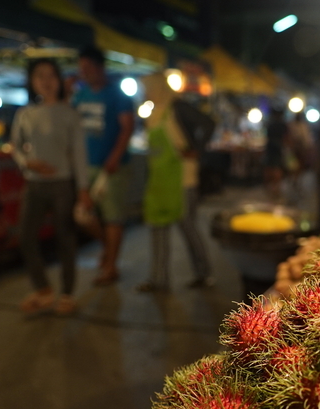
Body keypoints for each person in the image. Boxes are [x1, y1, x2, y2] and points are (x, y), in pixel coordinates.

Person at [11, 59, 93, 315]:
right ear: (32, 82)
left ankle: (67, 293)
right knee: (25, 237)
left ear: (59, 80)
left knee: (65, 240)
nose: (46, 81)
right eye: (39, 76)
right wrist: (28, 163)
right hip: (34, 184)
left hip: (63, 184)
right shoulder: (24, 114)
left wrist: (83, 190)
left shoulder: (70, 114)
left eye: (51, 75)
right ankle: (44, 290)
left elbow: (79, 154)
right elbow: (15, 147)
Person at [136, 74, 213, 292]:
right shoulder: (151, 112)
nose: (146, 92)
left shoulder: (179, 107)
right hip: (158, 181)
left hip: (183, 178)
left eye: (148, 87)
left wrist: (197, 148)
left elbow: (208, 123)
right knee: (157, 228)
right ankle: (158, 279)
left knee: (187, 226)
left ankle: (203, 274)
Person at [72, 46, 134, 285]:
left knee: (112, 216)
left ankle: (110, 266)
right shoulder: (80, 95)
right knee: (82, 214)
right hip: (87, 165)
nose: (84, 73)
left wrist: (116, 156)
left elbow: (127, 127)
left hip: (113, 167)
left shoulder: (118, 96)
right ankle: (109, 250)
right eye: (82, 69)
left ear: (100, 68)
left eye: (88, 68)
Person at [264, 107, 288, 200]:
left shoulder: (271, 124)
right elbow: (286, 137)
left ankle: (272, 187)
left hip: (271, 148)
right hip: (277, 148)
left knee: (271, 167)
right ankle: (275, 187)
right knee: (276, 168)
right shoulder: (282, 125)